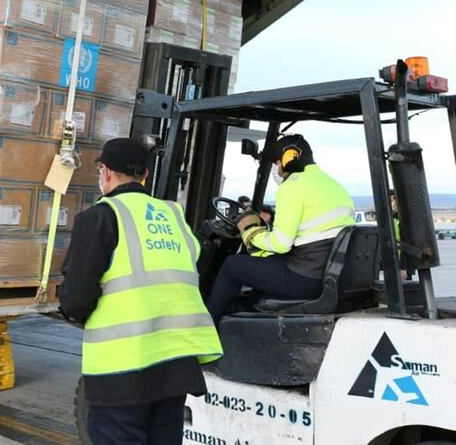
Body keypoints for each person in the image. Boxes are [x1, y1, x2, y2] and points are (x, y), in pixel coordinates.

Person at [59, 138, 222, 445]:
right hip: (175, 367)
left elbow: (76, 300)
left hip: (123, 371)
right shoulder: (174, 216)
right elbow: (191, 262)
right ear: (145, 175)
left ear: (105, 173)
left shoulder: (99, 217)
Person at [207, 135, 356, 321]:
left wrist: (252, 234)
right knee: (259, 267)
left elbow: (281, 243)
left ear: (290, 158)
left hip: (305, 279)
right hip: (328, 275)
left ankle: (204, 329)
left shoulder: (292, 186)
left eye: (277, 162)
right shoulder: (334, 185)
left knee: (232, 265)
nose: (277, 169)